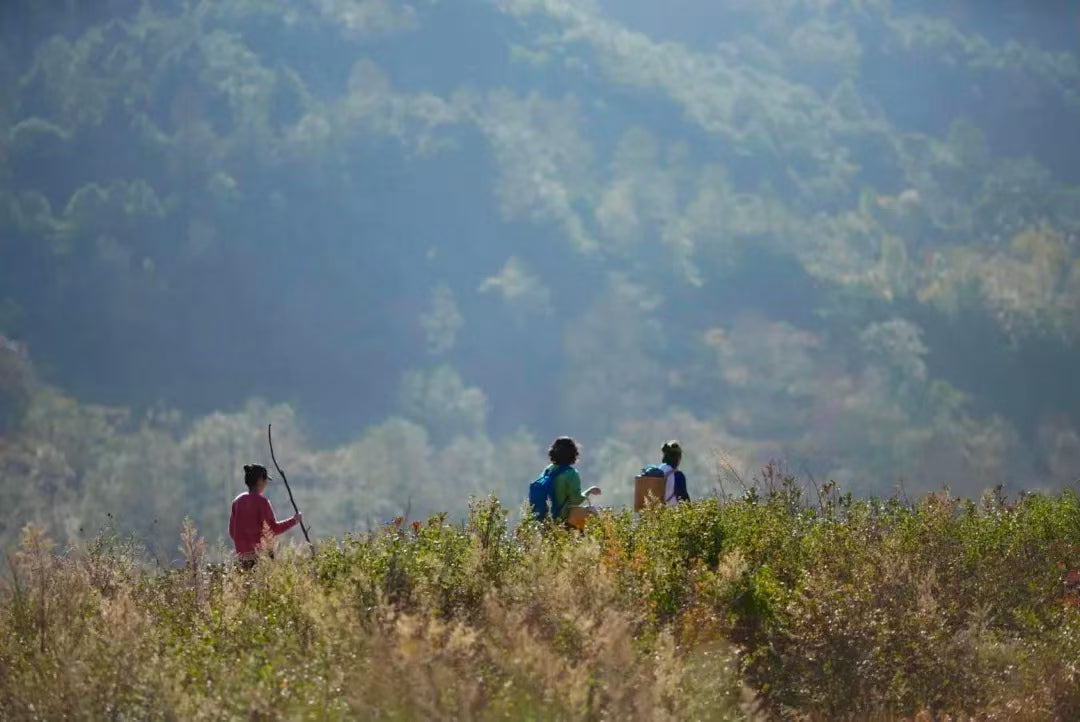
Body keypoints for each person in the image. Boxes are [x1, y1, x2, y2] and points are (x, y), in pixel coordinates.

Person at [229, 463, 303, 568]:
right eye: (265, 480)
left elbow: (232, 533)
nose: (265, 484)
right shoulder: (262, 502)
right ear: (259, 480)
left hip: (242, 558)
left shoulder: (237, 501)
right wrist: (294, 520)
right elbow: (273, 529)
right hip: (261, 558)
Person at [548, 436, 601, 527]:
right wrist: (589, 491)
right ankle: (600, 540)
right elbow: (576, 500)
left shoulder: (549, 470)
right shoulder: (571, 474)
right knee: (592, 512)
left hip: (548, 516)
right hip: (563, 516)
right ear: (573, 454)